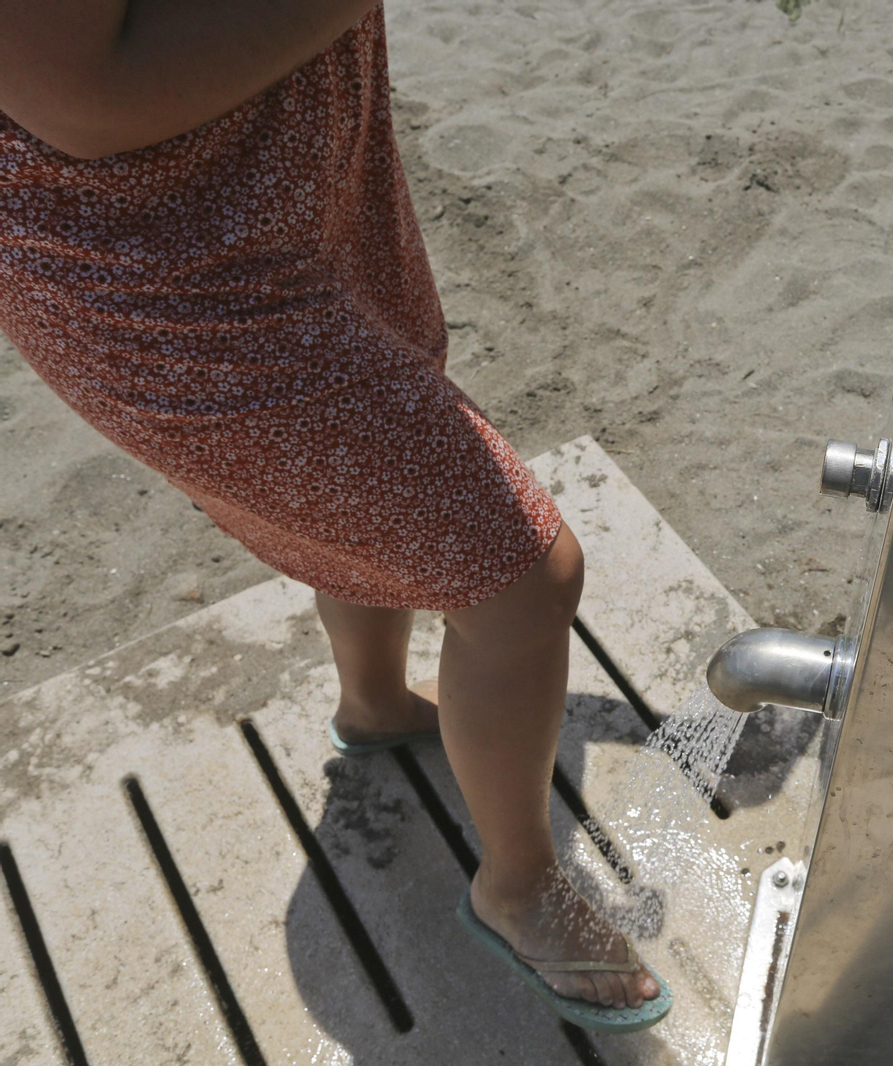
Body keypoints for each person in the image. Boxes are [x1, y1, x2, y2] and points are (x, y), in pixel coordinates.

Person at [0, 0, 666, 1030]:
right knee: (525, 582)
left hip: (302, 172)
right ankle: (518, 885)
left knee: (364, 514)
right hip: (168, 264)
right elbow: (81, 95)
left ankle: (374, 704)